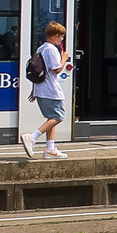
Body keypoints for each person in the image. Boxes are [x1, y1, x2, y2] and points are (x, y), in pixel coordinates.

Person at [23, 22, 72, 159]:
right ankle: (32, 137)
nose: (62, 39)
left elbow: (37, 70)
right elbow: (56, 69)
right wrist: (64, 58)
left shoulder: (41, 48)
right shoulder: (51, 49)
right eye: (61, 36)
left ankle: (50, 150)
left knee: (51, 118)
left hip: (41, 89)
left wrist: (34, 90)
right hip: (51, 90)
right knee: (58, 117)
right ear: (56, 36)